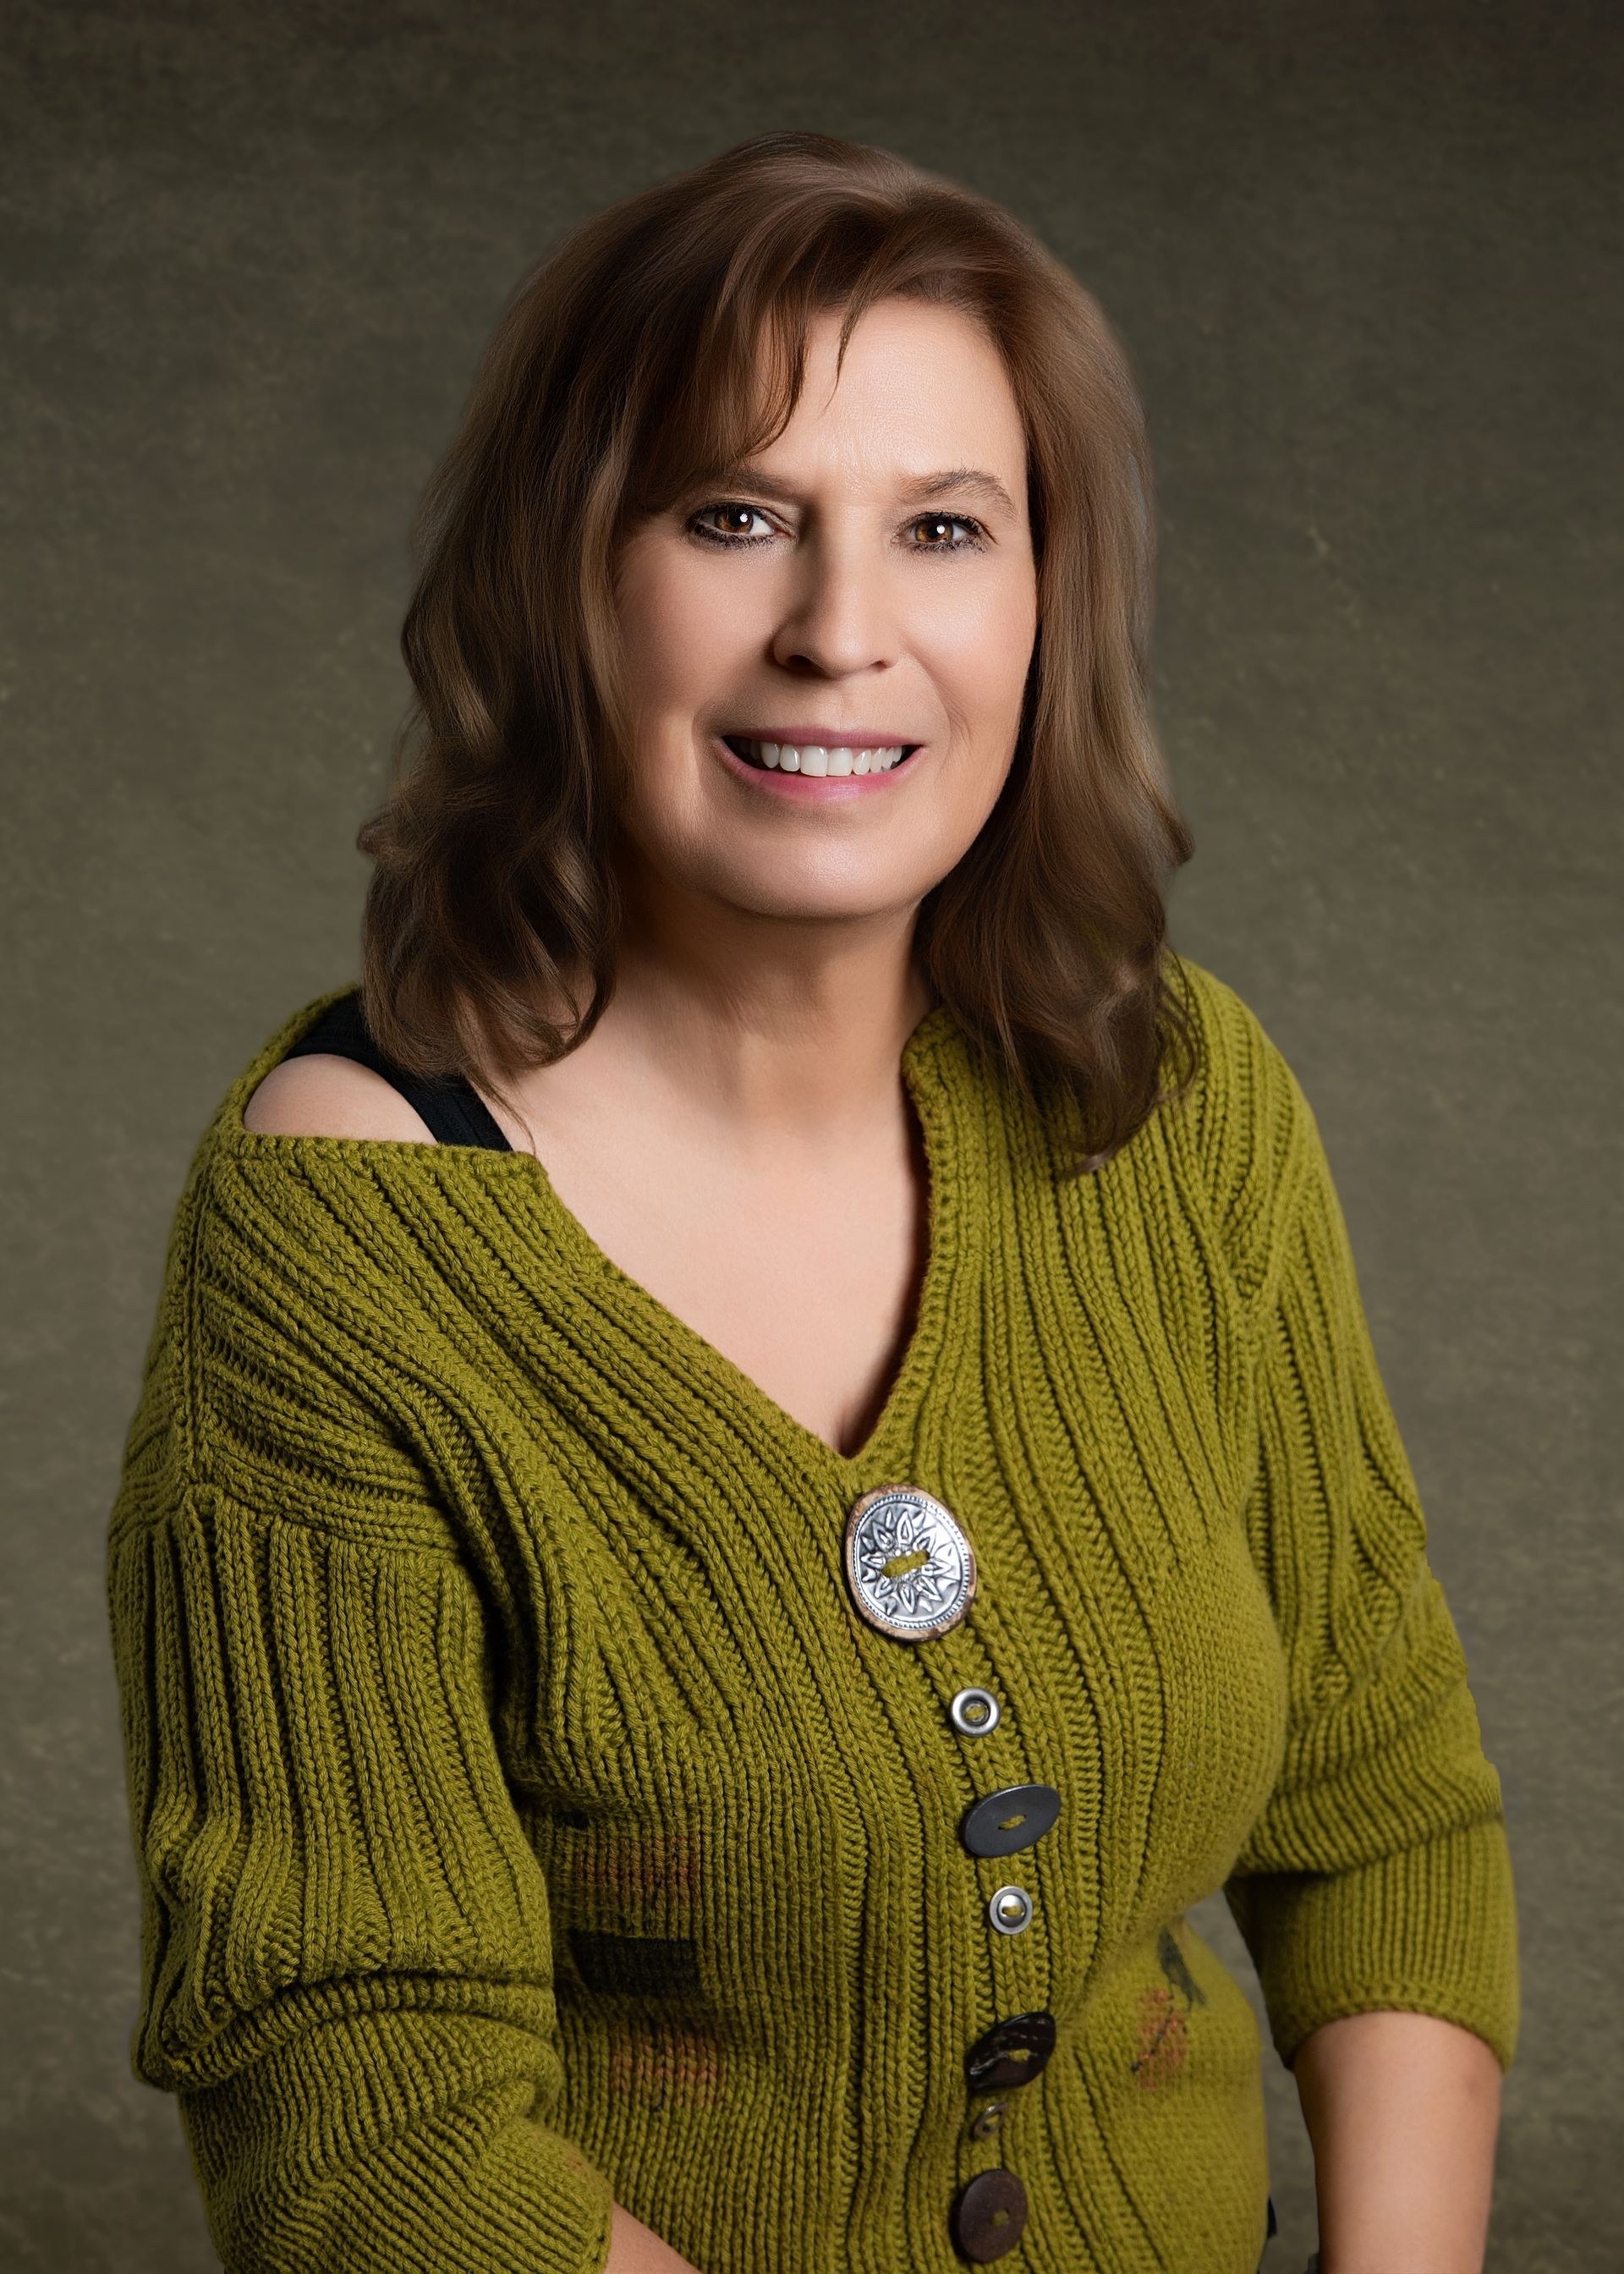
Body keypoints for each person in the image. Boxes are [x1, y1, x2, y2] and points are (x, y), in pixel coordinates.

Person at [104, 130, 1517, 2274]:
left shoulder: (1180, 1103)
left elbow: (1381, 1799)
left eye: (943, 528)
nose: (842, 633)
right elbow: (365, 2112)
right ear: (566, 577)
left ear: (1044, 603)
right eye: (735, 516)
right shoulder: (341, 1243)